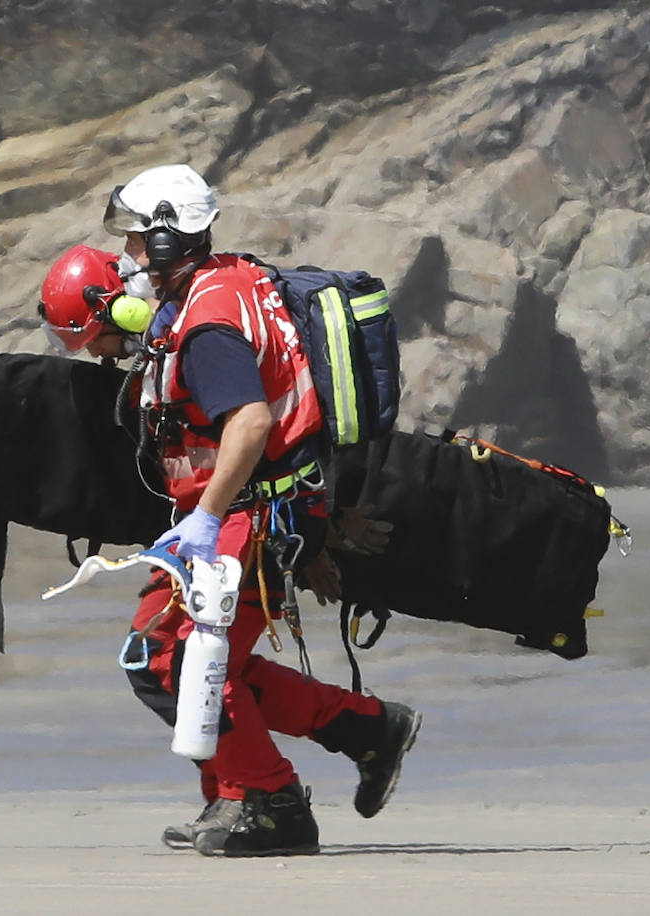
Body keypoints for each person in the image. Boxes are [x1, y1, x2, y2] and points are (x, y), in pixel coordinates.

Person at [37, 165, 420, 858]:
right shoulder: (226, 283)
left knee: (167, 658)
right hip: (256, 513)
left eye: (131, 242)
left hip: (249, 519)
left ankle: (270, 802)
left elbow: (247, 422)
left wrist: (207, 520)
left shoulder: (210, 321)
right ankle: (348, 738)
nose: (124, 257)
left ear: (161, 242)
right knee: (198, 661)